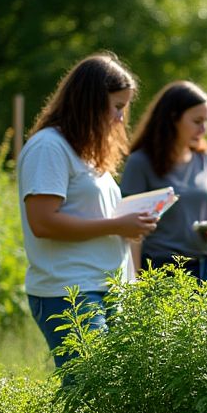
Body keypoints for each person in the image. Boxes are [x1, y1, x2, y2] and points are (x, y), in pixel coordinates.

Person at [17, 52, 158, 366]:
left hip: (106, 286)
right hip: (70, 290)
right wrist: (119, 225)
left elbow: (96, 214)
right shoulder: (49, 148)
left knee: (116, 393)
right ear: (90, 102)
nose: (121, 118)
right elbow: (43, 223)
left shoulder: (89, 152)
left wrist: (132, 221)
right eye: (117, 107)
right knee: (90, 392)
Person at [121, 80, 207, 283]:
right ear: (173, 118)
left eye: (206, 121)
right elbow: (132, 232)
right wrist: (135, 281)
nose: (204, 129)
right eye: (197, 121)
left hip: (206, 267)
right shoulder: (140, 162)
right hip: (161, 270)